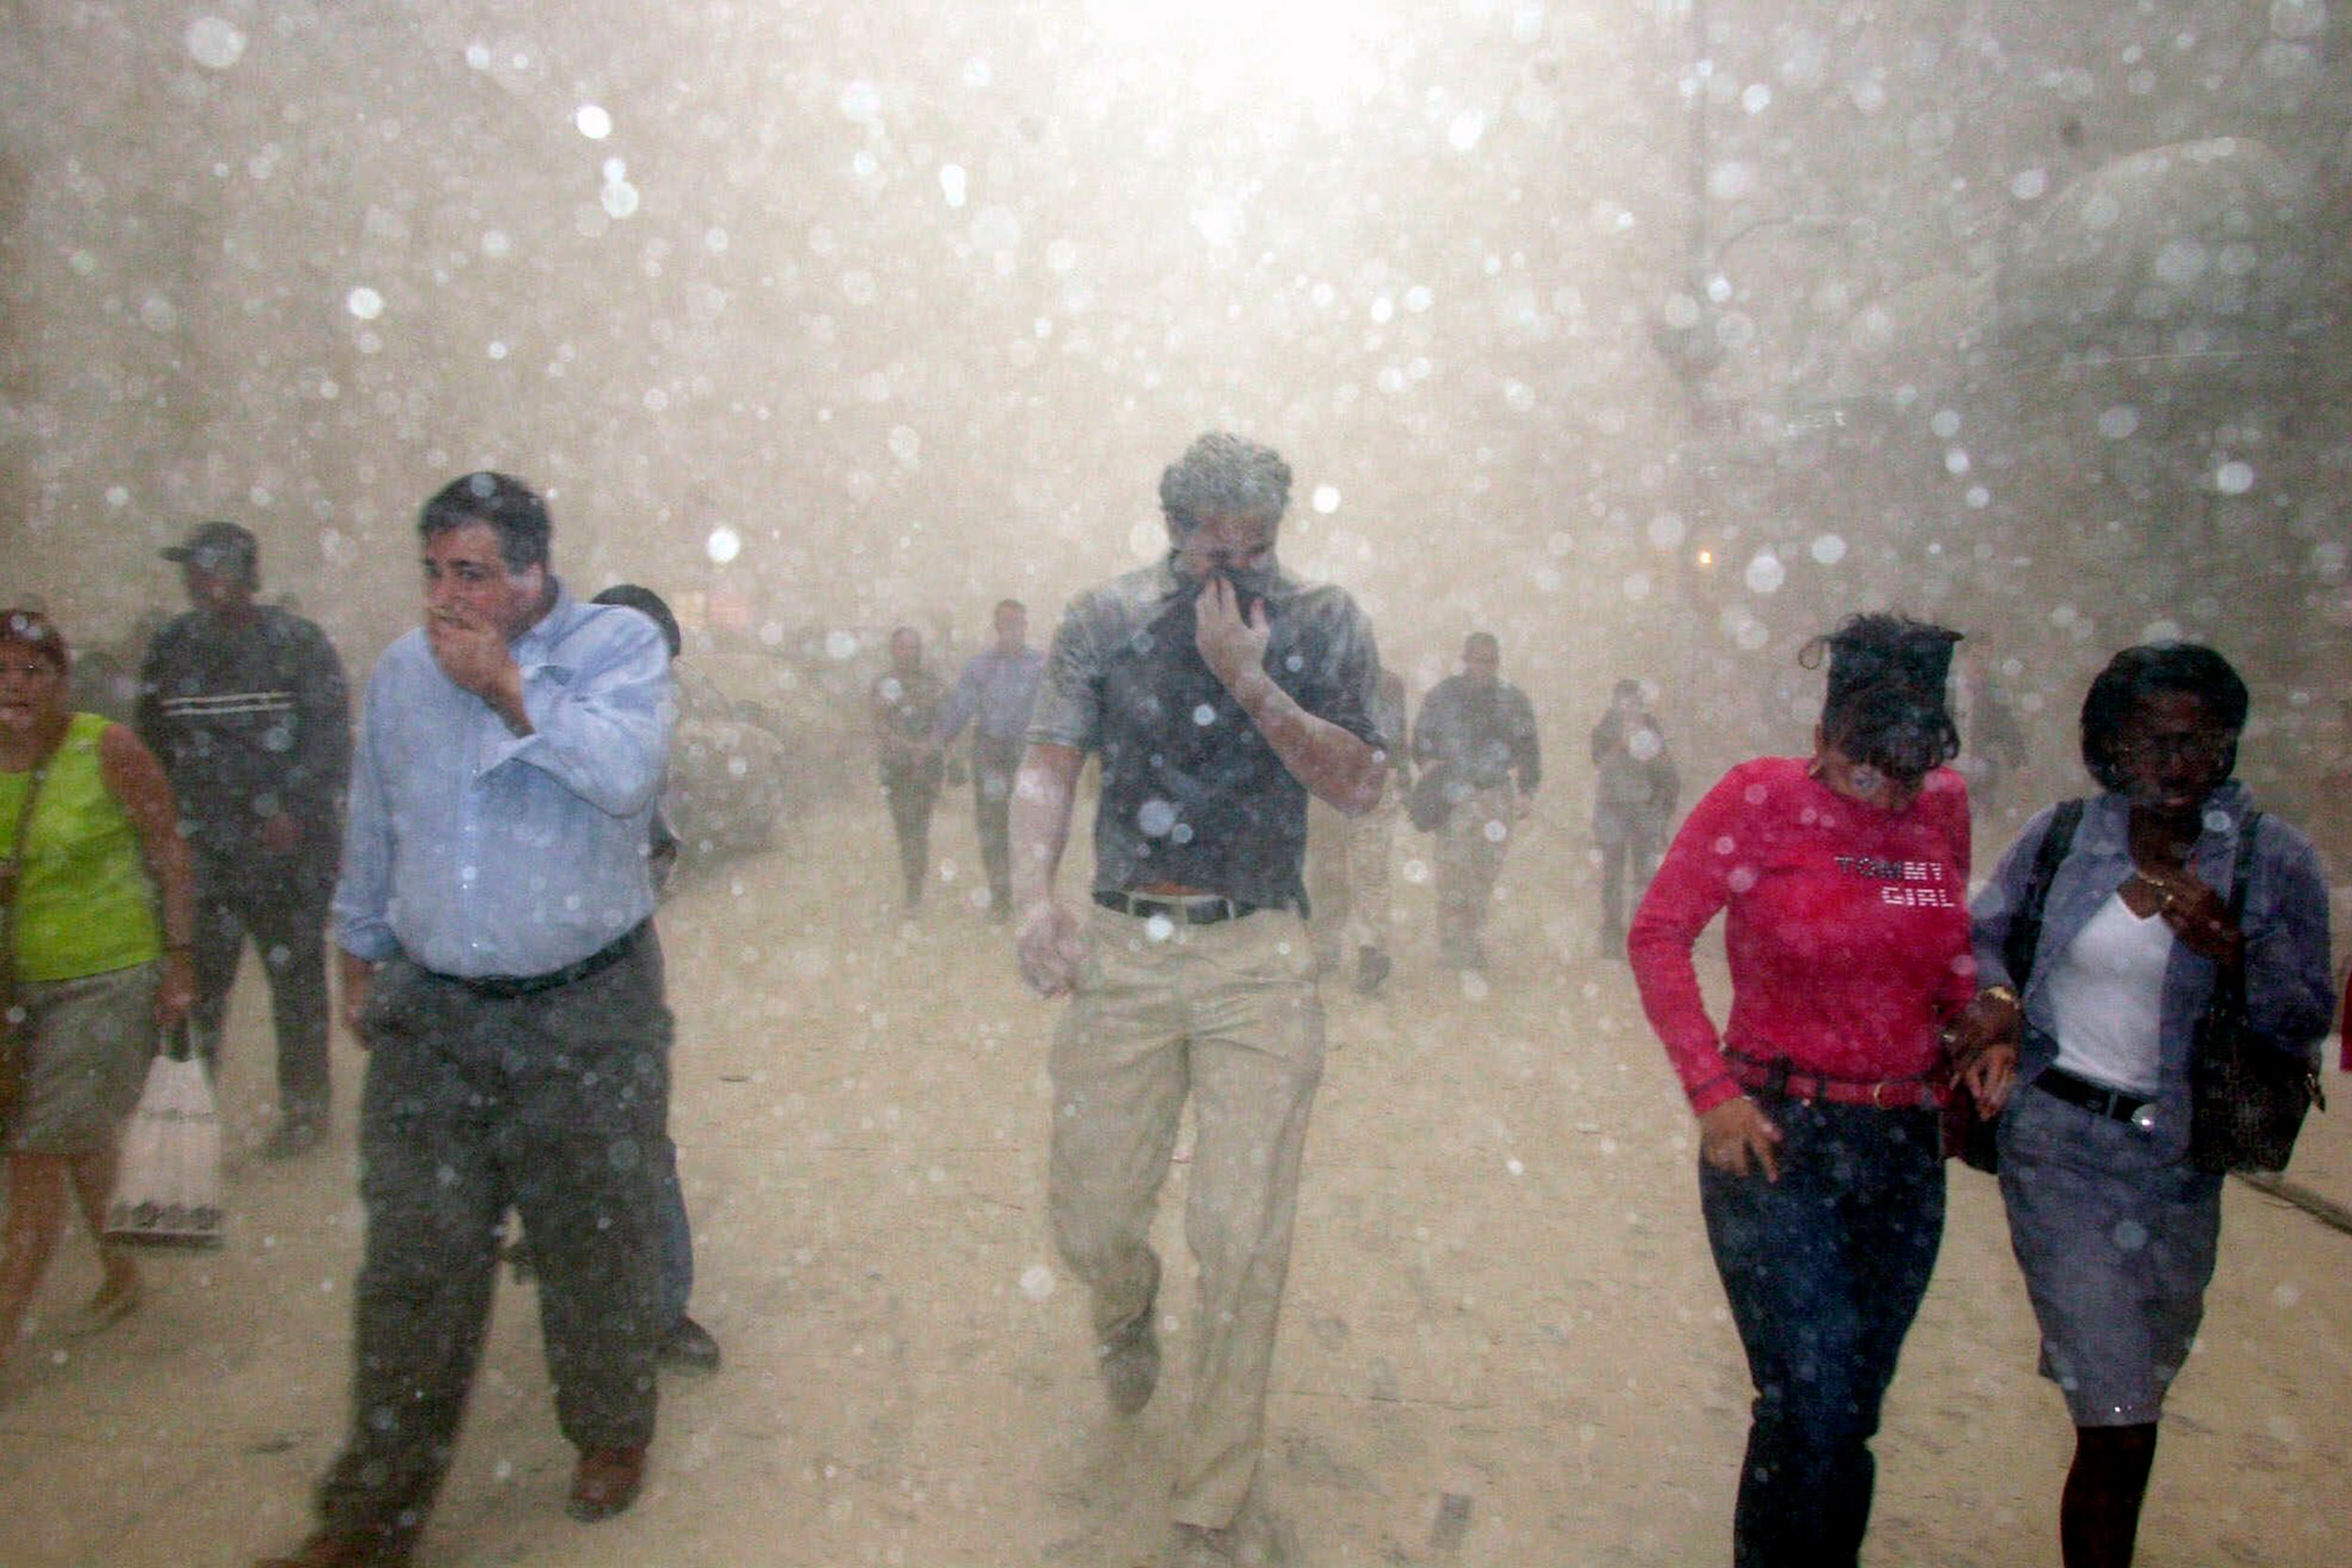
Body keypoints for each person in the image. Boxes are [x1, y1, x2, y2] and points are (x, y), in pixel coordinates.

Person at [257, 474, 675, 1568]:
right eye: (435, 572)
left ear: (534, 573)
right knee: (413, 1266)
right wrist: (357, 950)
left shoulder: (616, 649)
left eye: (473, 574)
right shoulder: (400, 674)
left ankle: (609, 1427)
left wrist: (506, 688)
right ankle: (370, 1517)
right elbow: (377, 819)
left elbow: (628, 776)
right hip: (434, 1019)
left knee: (592, 1239)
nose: (448, 597)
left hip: (587, 1010)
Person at [1011, 432, 1387, 1567]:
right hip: (1126, 946)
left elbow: (1362, 781)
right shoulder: (1106, 618)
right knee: (1088, 1215)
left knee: (1242, 1232)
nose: (1238, 571)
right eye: (1213, 548)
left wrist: (1249, 678)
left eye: (1260, 546)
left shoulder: (1323, 625)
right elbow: (1047, 761)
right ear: (1172, 530)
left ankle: (1210, 1502)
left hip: (1260, 952)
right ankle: (1123, 1302)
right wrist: (1033, 893)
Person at [1628, 613, 2006, 1568]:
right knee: (1814, 1393)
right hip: (1772, 1136)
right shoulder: (1756, 798)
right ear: (1824, 733)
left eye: (1907, 773)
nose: (1885, 792)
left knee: (1846, 1412)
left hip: (1901, 1148)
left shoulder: (1943, 806)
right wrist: (1709, 1090)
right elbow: (1658, 932)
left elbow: (1943, 951)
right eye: (1863, 768)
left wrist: (1982, 1015)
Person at [1964, 643, 2332, 1568]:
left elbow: (2305, 1016)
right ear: (2113, 745)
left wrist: (2233, 945)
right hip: (2055, 1143)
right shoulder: (2062, 838)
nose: (2176, 760)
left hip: (2178, 1165)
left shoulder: (2269, 856)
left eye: (2198, 740)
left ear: (2226, 744)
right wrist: (2000, 1006)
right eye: (2153, 740)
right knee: (2117, 1407)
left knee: (2135, 1400)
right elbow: (1980, 940)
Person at [0, 609, 197, 1384]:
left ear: (62, 679)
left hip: (110, 977)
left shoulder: (106, 748)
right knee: (77, 1138)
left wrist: (180, 959)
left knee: (35, 1155)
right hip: (19, 985)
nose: (12, 688)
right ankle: (122, 1271)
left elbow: (167, 847)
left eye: (30, 671)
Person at [137, 521, 351, 1160]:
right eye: (194, 569)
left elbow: (330, 740)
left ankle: (305, 1111)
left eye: (216, 568)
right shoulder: (170, 649)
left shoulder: (297, 645)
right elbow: (150, 746)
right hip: (203, 858)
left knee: (296, 989)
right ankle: (186, 1122)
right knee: (195, 993)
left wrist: (295, 808)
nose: (203, 582)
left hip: (286, 861)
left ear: (247, 575)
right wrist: (165, 826)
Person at [586, 584, 720, 1375]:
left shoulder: (644, 739)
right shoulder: (531, 713)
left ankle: (662, 1306)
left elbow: (661, 846)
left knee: (641, 1139)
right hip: (522, 979)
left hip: (620, 969)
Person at [1412, 631, 1539, 974]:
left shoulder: (1513, 700)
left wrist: (1527, 790)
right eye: (1477, 659)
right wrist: (1428, 767)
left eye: (1490, 661)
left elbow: (1529, 748)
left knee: (1483, 874)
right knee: (1452, 872)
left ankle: (1472, 941)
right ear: (1465, 660)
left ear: (1498, 663)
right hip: (1455, 795)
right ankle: (1451, 946)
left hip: (1496, 795)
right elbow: (1421, 738)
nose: (1484, 667)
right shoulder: (1444, 696)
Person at [932, 598, 1045, 921]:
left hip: (1027, 759)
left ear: (1025, 626)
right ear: (997, 627)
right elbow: (959, 708)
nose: (1013, 630)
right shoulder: (979, 667)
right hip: (990, 757)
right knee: (992, 828)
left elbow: (1057, 709)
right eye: (1006, 623)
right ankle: (1000, 898)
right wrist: (937, 741)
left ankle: (1030, 896)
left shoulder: (1040, 666)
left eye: (1018, 623)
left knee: (1029, 829)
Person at [1590, 678, 1678, 958]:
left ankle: (1638, 937)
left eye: (1633, 701)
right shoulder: (1605, 726)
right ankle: (1612, 938)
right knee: (1613, 877)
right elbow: (1598, 759)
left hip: (1644, 810)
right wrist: (1620, 741)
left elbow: (1666, 774)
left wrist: (1661, 816)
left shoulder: (1651, 727)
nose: (1628, 707)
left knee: (1643, 878)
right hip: (1612, 809)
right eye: (1623, 701)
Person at [870, 626, 946, 909]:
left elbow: (944, 720)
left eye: (913, 647)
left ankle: (915, 886)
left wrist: (929, 746)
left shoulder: (932, 683)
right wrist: (907, 748)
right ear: (893, 650)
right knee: (905, 828)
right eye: (902, 647)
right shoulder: (884, 684)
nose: (908, 653)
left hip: (927, 769)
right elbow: (879, 724)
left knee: (920, 828)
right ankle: (912, 884)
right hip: (897, 769)